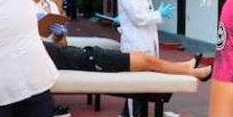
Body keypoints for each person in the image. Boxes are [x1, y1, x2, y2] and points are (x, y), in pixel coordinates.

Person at [116, 0, 174, 117]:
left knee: (142, 80)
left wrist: (158, 14)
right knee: (136, 82)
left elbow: (146, 15)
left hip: (146, 41)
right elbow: (138, 18)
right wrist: (158, 14)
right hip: (135, 44)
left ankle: (126, 114)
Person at [26, 0, 72, 117]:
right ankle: (44, 109)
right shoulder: (18, 4)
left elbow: (61, 42)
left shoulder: (50, 6)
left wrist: (59, 33)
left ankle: (45, 108)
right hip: (27, 51)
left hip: (49, 52)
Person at [41, 41, 211, 80]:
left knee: (145, 59)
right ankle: (193, 73)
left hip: (91, 55)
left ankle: (185, 67)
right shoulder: (31, 50)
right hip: (93, 61)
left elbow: (62, 44)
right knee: (147, 61)